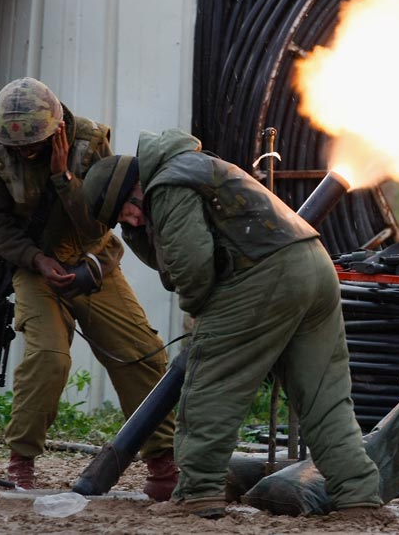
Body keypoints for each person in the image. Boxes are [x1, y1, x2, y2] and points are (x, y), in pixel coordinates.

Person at [80, 128, 382, 518]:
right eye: (123, 220)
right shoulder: (194, 166)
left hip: (263, 275)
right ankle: (358, 496)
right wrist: (141, 233)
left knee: (210, 385)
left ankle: (198, 492)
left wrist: (200, 316)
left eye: (127, 209)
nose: (133, 218)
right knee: (323, 395)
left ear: (135, 186)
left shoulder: (167, 184)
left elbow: (190, 264)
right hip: (313, 264)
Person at [0, 77, 177, 498]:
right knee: (48, 358)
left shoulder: (88, 143)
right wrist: (34, 259)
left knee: (139, 353)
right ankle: (21, 463)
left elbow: (99, 222)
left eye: (35, 144)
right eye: (19, 148)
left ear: (56, 128)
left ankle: (163, 464)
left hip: (92, 258)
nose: (26, 153)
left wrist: (63, 177)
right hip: (34, 265)